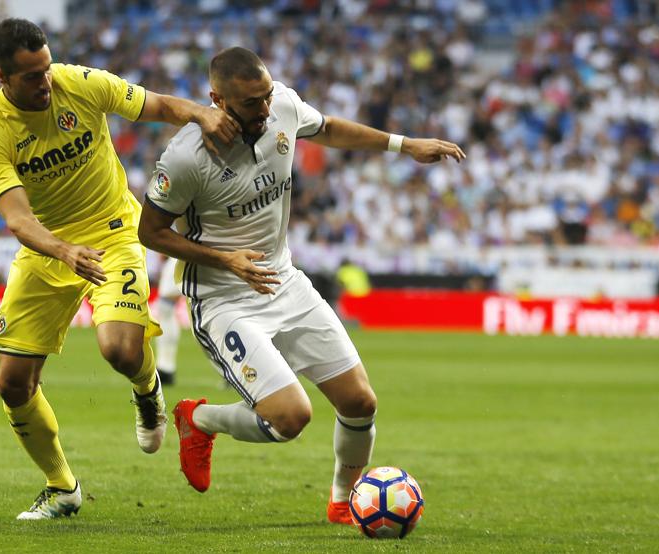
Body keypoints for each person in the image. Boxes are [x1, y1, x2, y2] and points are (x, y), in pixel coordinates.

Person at [138, 47, 465, 524]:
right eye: (252, 103)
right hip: (223, 299)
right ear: (218, 100)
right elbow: (151, 233)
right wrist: (224, 259)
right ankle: (198, 419)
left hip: (284, 281)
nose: (265, 109)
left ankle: (342, 500)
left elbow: (328, 128)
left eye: (267, 96)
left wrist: (404, 144)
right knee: (290, 417)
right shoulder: (186, 157)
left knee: (360, 402)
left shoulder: (282, 107)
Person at [0, 18, 240, 521]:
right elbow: (18, 218)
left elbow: (155, 105)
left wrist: (202, 114)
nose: (46, 82)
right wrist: (62, 250)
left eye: (46, 68)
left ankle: (147, 389)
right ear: (0, 77)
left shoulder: (80, 83)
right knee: (11, 384)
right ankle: (61, 487)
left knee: (118, 349)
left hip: (114, 232)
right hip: (47, 247)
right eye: (31, 76)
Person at [154, 255, 182, 385]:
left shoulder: (174, 262)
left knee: (166, 320)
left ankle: (166, 368)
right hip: (166, 306)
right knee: (165, 324)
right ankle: (165, 367)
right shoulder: (171, 263)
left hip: (166, 305)